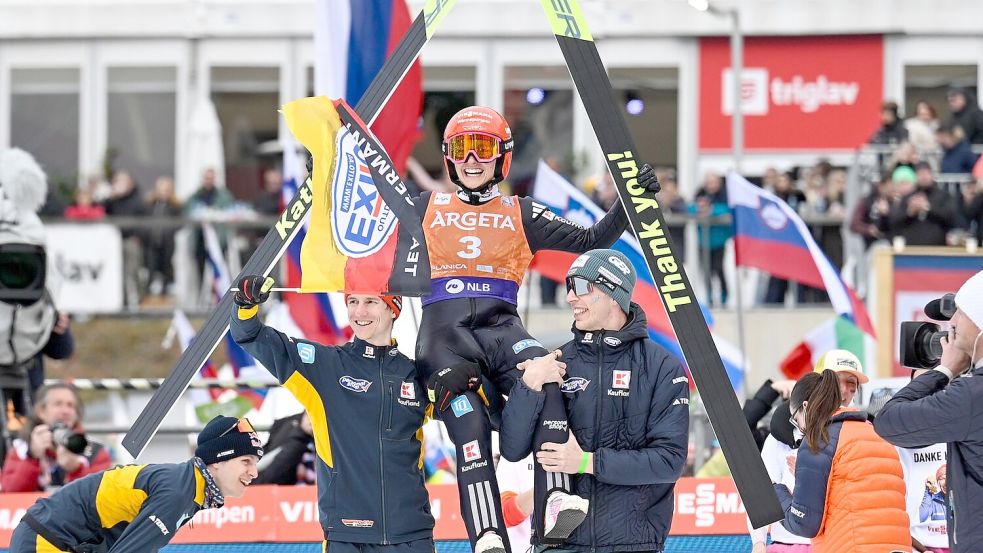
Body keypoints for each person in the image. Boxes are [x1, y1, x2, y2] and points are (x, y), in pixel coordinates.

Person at [413, 106, 661, 553]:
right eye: (462, 149)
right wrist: (325, 181)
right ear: (448, 157)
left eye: (482, 148)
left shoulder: (521, 212)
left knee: (550, 376)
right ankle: (488, 534)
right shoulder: (423, 205)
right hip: (445, 339)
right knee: (468, 424)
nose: (472, 159)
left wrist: (631, 198)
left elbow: (590, 241)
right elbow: (360, 227)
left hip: (501, 328)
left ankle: (555, 500)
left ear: (502, 156)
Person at [500, 249, 689, 553]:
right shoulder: (555, 361)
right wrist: (528, 386)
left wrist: (587, 462)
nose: (570, 297)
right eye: (568, 287)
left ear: (614, 294)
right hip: (557, 545)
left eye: (581, 287)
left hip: (633, 545)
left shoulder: (661, 367)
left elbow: (669, 461)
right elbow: (512, 449)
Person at [230, 276, 435, 552]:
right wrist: (245, 304)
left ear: (393, 308)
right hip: (347, 536)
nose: (359, 311)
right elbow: (250, 335)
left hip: (412, 535)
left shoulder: (417, 374)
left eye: (371, 302)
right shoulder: (324, 365)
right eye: (353, 301)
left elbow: (471, 412)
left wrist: (465, 374)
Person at [8, 414, 263, 552]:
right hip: (48, 539)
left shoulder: (188, 486)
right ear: (217, 461)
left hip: (53, 534)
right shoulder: (179, 492)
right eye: (246, 461)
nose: (254, 472)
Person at [873, 269, 983, 551]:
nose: (951, 324)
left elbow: (888, 421)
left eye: (960, 313)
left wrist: (944, 370)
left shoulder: (971, 396)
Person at [775, 370, 909, 552]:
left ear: (805, 407)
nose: (801, 430)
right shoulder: (876, 433)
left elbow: (804, 523)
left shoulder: (819, 440)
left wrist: (776, 493)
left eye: (796, 420)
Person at [1, 383, 111, 492]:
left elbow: (101, 495)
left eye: (70, 405)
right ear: (41, 411)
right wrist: (32, 457)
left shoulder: (94, 450)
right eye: (58, 404)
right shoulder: (21, 448)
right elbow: (10, 493)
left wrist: (76, 469)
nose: (65, 411)